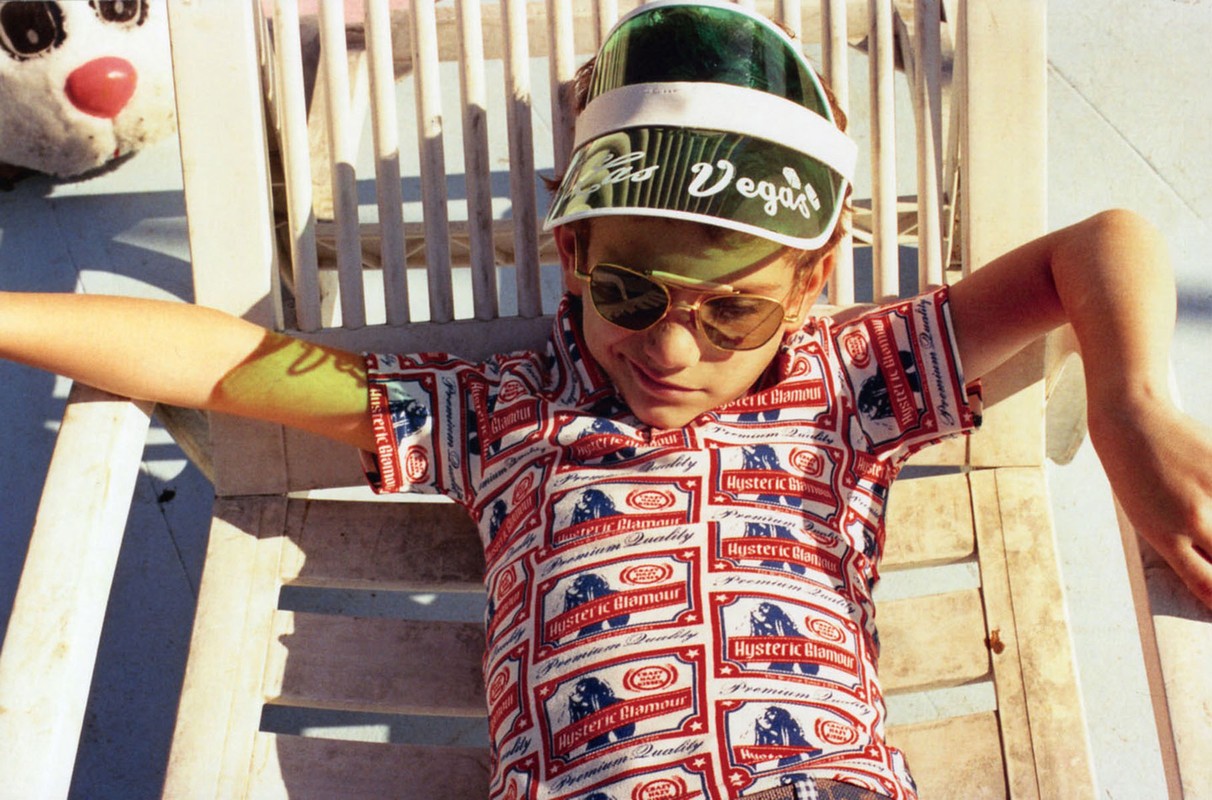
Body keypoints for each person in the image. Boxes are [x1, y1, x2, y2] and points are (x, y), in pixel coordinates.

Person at [1, 2, 1210, 798]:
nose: (671, 347)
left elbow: (1100, 243)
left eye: (731, 311)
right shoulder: (500, 411)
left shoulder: (847, 378)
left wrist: (1130, 405)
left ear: (810, 286)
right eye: (629, 292)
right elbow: (223, 362)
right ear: (571, 252)